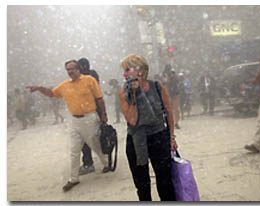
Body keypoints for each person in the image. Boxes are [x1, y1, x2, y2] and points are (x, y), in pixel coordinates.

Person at [26, 60, 110, 192]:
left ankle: (106, 163)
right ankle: (73, 179)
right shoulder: (65, 85)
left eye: (72, 69)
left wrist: (104, 114)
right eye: (68, 70)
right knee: (74, 150)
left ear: (78, 69)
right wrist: (38, 88)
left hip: (90, 118)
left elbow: (99, 98)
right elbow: (52, 93)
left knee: (94, 144)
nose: (70, 72)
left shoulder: (89, 80)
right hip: (74, 121)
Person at [119, 54, 178, 201]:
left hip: (159, 136)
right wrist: (134, 93)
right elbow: (132, 120)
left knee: (165, 181)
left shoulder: (157, 87)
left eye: (127, 70)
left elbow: (168, 113)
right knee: (142, 185)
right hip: (136, 140)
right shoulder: (124, 93)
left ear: (140, 70)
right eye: (124, 71)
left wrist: (171, 138)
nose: (124, 74)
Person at [77, 57, 101, 175]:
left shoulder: (87, 78)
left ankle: (88, 163)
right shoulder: (92, 75)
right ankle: (104, 158)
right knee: (95, 136)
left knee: (86, 138)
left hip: (89, 111)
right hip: (94, 110)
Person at [162, 65, 181, 129]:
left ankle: (175, 122)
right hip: (170, 93)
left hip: (173, 93)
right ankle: (173, 122)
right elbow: (164, 83)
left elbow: (177, 81)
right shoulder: (165, 76)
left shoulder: (174, 76)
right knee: (172, 109)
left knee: (174, 109)